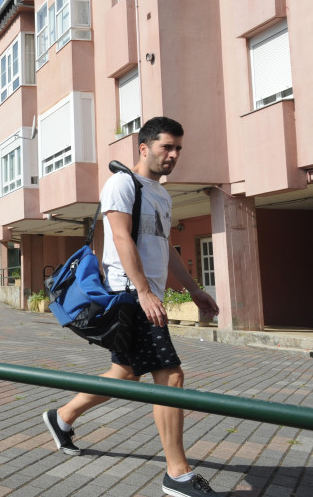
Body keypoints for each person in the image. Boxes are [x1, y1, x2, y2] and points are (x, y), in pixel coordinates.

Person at [41, 117, 220, 497]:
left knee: (126, 372)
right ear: (144, 147)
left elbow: (165, 248)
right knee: (171, 378)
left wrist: (193, 290)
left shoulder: (161, 193)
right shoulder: (122, 184)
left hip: (144, 295)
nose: (173, 155)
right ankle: (178, 475)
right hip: (130, 295)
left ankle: (62, 417)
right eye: (166, 147)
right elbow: (120, 235)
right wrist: (142, 290)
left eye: (178, 149)